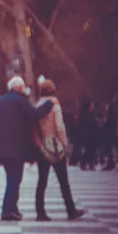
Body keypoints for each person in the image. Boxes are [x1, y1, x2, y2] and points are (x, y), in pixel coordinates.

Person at [0, 76, 54, 221]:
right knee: (14, 179)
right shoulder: (20, 100)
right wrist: (48, 104)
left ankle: (13, 208)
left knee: (12, 178)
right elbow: (34, 114)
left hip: (2, 148)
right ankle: (7, 211)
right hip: (16, 147)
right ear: (18, 87)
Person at [33, 78, 85, 221]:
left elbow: (34, 128)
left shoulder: (37, 106)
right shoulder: (55, 105)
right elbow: (60, 126)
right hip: (55, 145)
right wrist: (64, 143)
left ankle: (40, 211)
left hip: (43, 145)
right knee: (63, 180)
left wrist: (39, 144)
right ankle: (70, 210)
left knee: (42, 180)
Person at [78, 100, 100, 170]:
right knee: (89, 150)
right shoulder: (86, 114)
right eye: (92, 105)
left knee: (90, 150)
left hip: (89, 135)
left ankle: (88, 163)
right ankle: (86, 163)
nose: (93, 107)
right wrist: (96, 122)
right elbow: (91, 123)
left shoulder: (89, 114)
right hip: (88, 135)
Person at [101, 102, 118, 171]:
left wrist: (104, 124)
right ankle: (110, 163)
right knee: (108, 149)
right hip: (108, 135)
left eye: (107, 106)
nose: (106, 107)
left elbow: (110, 126)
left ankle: (111, 163)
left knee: (109, 149)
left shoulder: (111, 117)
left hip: (109, 135)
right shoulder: (109, 116)